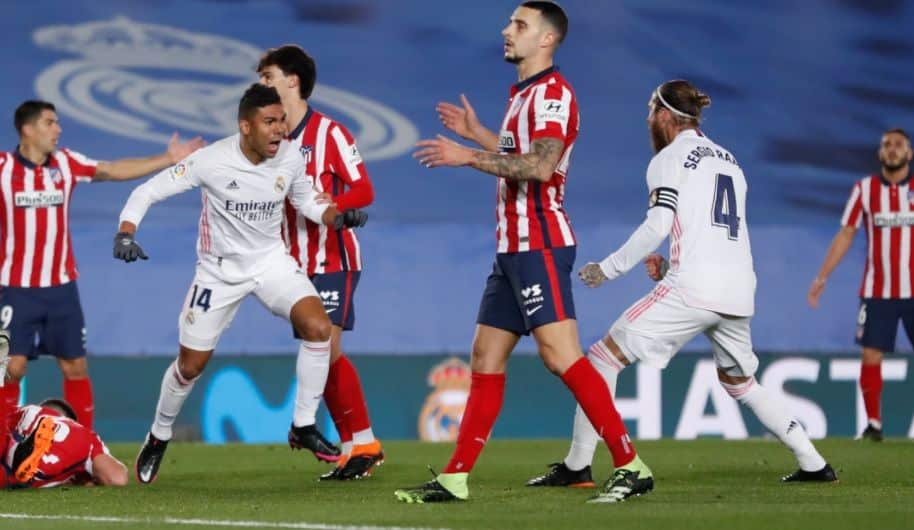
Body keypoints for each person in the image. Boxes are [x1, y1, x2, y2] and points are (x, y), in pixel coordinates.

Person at [395, 1, 651, 504]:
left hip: (541, 244)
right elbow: (519, 155)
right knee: (484, 357)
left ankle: (631, 464)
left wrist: (467, 155)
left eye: (520, 25)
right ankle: (455, 477)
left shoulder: (554, 95)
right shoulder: (523, 95)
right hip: (512, 250)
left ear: (547, 40)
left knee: (561, 356)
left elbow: (540, 167)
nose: (506, 30)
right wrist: (480, 136)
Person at [528, 79, 837, 489]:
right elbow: (716, 228)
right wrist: (670, 259)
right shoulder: (730, 160)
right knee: (742, 383)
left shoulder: (669, 158)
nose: (647, 121)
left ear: (666, 117)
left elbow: (657, 223)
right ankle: (814, 463)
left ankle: (578, 466)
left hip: (694, 286)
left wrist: (609, 268)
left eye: (650, 112)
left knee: (603, 357)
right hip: (739, 287)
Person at [114, 83, 368, 484]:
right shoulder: (211, 161)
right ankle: (159, 435)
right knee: (190, 366)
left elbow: (306, 200)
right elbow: (148, 191)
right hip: (218, 271)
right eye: (270, 122)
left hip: (270, 261)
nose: (280, 130)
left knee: (319, 328)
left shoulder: (290, 158)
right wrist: (126, 233)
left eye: (282, 120)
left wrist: (337, 216)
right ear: (245, 126)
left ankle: (302, 425)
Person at [0, 100, 203, 430]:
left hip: (61, 289)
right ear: (28, 129)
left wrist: (167, 159)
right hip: (16, 289)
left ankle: (84, 451)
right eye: (50, 123)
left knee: (75, 367)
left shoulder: (66, 163)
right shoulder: (3, 168)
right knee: (11, 368)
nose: (58, 129)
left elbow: (111, 169)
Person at [257, 45, 383, 481]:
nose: (262, 85)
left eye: (268, 76)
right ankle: (354, 447)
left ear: (292, 81)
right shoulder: (269, 140)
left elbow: (363, 190)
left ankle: (363, 442)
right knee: (320, 355)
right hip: (295, 266)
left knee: (326, 349)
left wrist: (337, 204)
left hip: (333, 257)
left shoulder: (331, 133)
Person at [807, 128, 914, 442]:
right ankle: (874, 424)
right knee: (870, 355)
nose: (892, 149)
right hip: (877, 291)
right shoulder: (864, 190)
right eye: (887, 145)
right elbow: (846, 234)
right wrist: (821, 277)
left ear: (909, 153)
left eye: (898, 145)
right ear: (880, 153)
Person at [0, 395, 128, 489]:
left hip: (13, 440)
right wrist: (89, 479)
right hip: (37, 466)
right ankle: (21, 454)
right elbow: (117, 478)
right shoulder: (85, 435)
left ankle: (18, 449)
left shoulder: (27, 410)